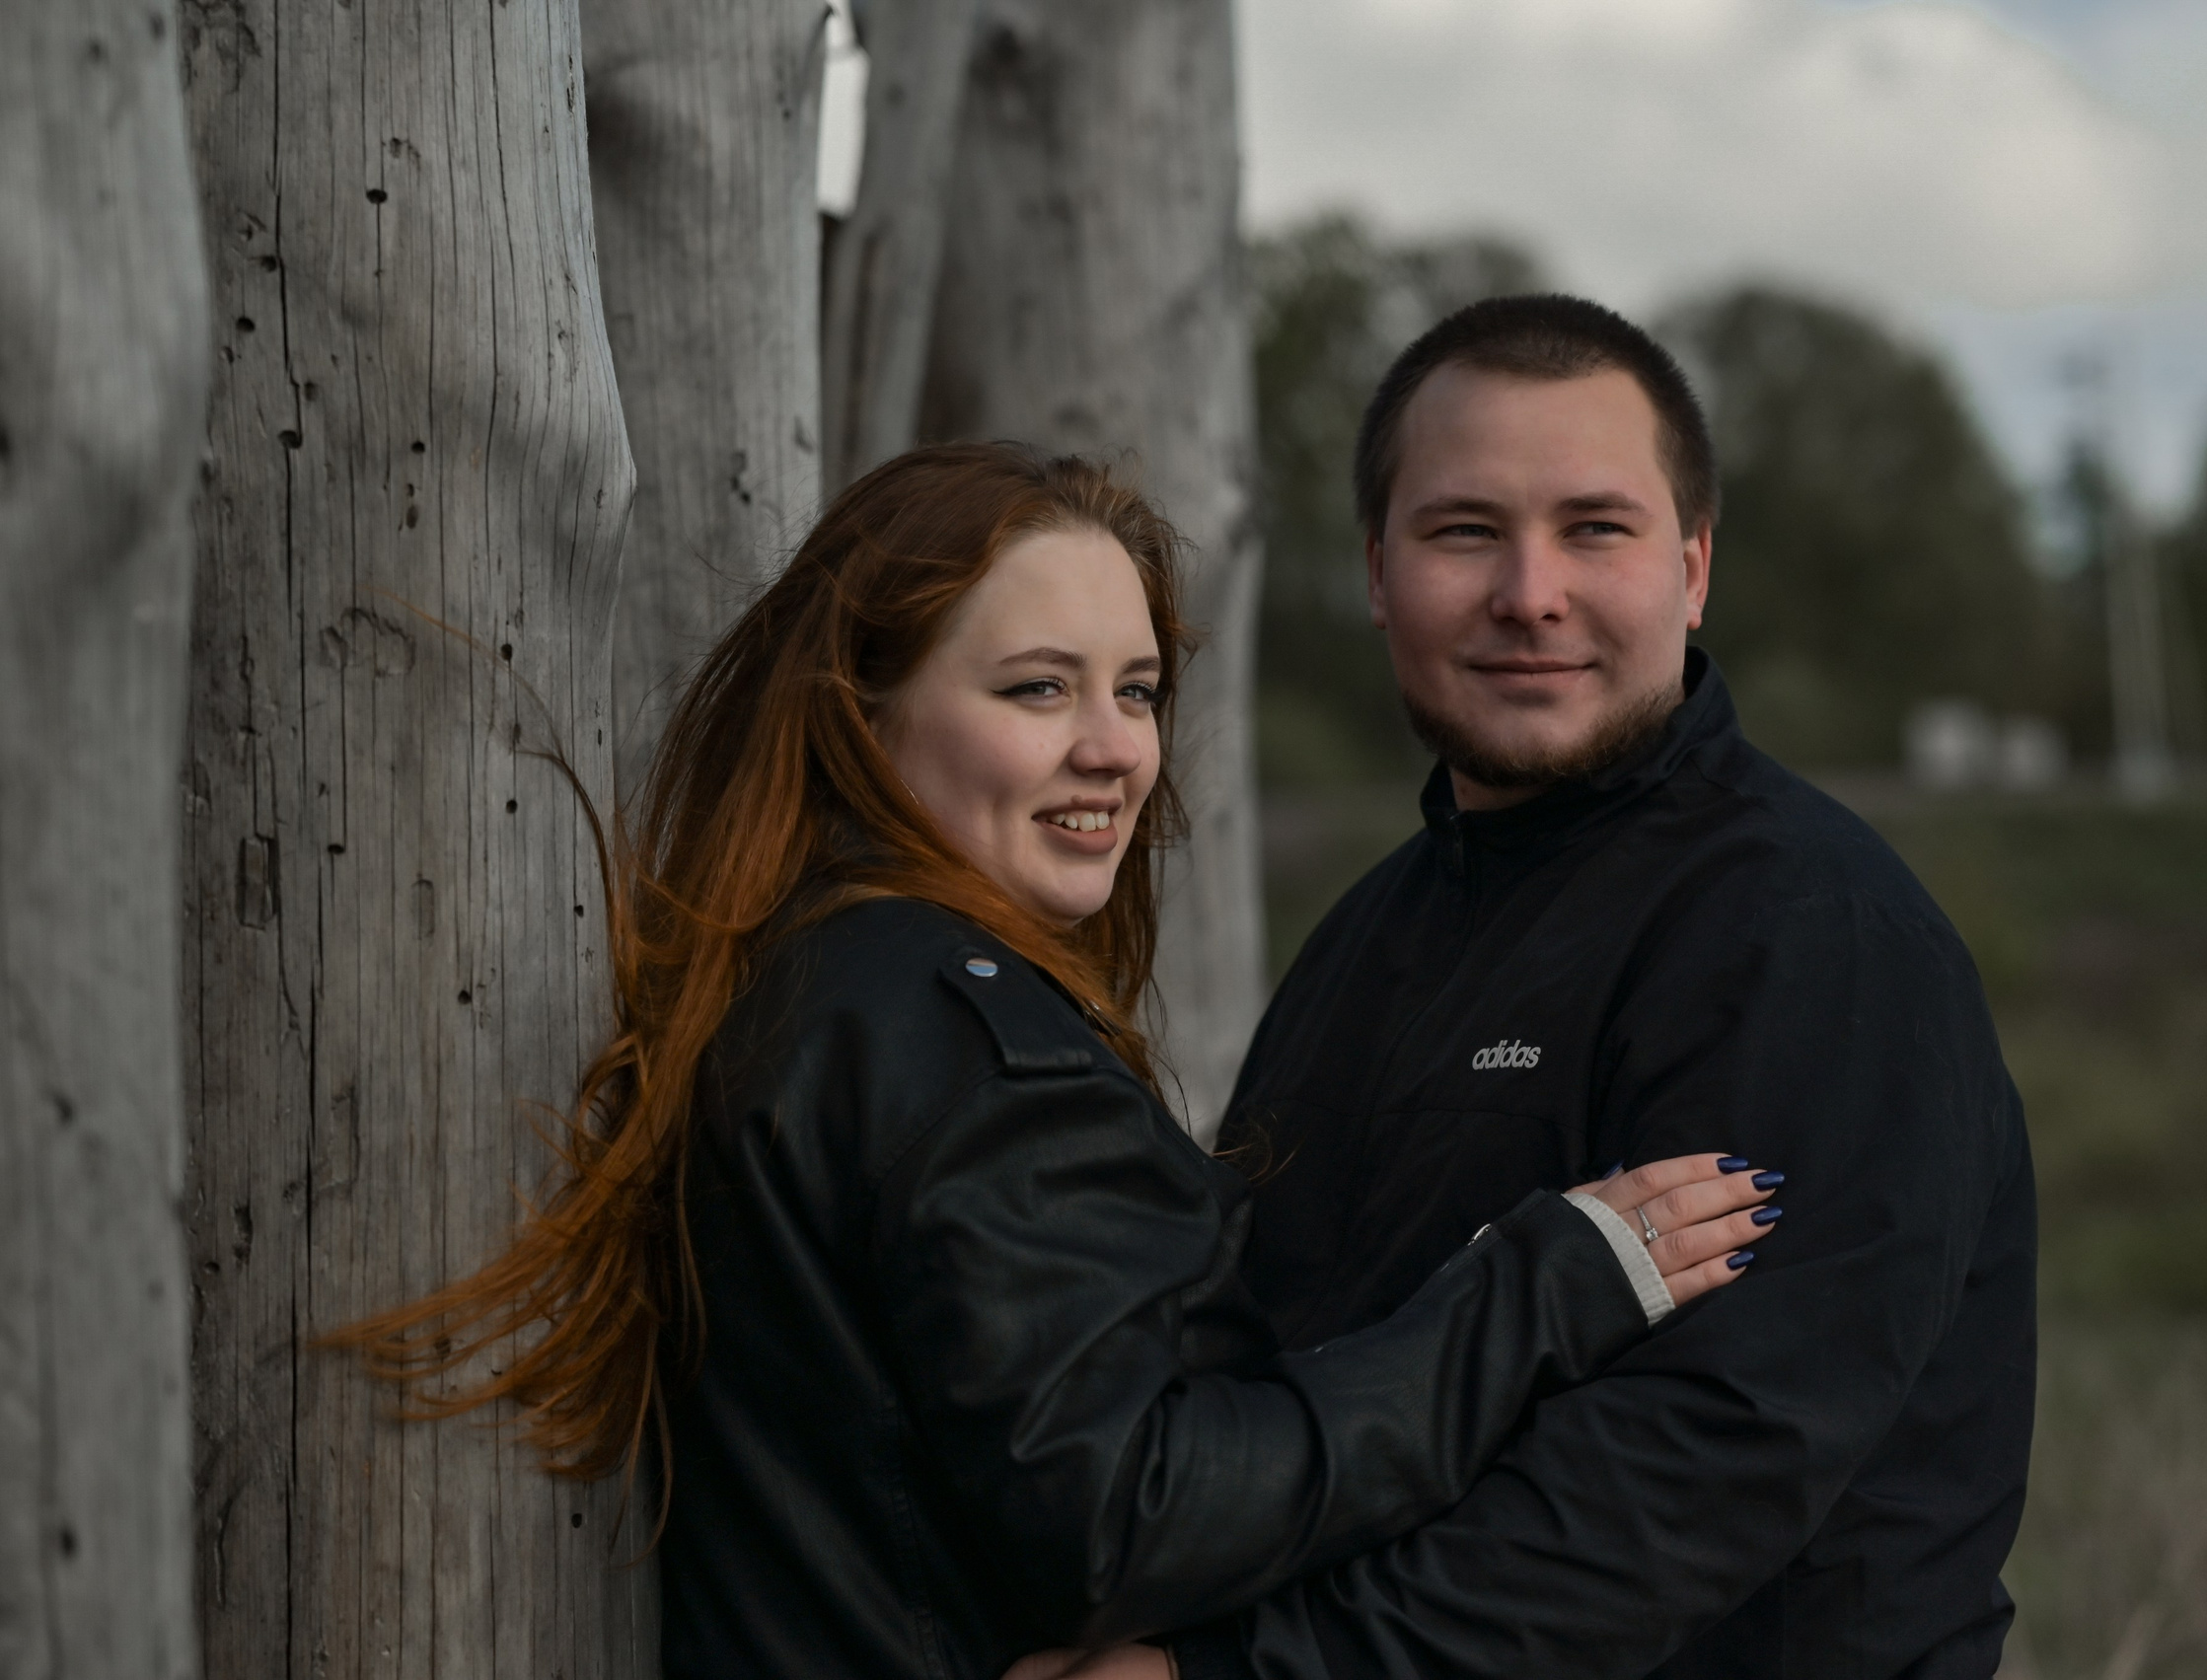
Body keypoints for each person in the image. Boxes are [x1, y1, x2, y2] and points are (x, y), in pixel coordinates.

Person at [330, 442, 1783, 1680]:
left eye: (1137, 691)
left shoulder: (809, 984)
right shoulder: (964, 1043)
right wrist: (1537, 1289)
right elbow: (1126, 1518)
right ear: (865, 712)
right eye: (1037, 690)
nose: (1114, 751)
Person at [1161, 296, 2037, 1679]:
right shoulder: (1367, 941)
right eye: (1464, 531)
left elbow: (1695, 1468)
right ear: (1376, 574)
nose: (1530, 594)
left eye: (1595, 528)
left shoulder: (1807, 936)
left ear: (1691, 571)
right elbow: (1265, 1379)